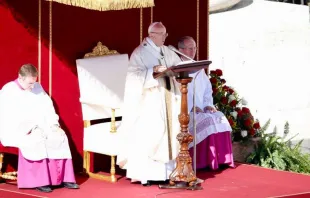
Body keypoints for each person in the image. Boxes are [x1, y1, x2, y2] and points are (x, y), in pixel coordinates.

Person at [116, 22, 182, 186]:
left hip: (168, 97)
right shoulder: (140, 53)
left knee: (170, 132)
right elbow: (132, 78)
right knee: (152, 133)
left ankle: (167, 173)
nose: (165, 38)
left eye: (166, 34)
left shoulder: (168, 51)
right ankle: (146, 174)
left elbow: (178, 67)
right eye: (162, 35)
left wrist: (176, 72)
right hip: (149, 101)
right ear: (152, 35)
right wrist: (152, 72)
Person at [0, 64, 79, 192]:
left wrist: (54, 124)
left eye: (34, 82)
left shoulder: (37, 87)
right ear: (20, 78)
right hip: (20, 130)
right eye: (30, 83)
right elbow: (7, 116)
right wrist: (30, 128)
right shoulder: (9, 91)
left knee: (59, 136)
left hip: (42, 125)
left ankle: (64, 178)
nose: (33, 86)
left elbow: (48, 107)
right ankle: (40, 181)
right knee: (36, 140)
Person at [177, 36, 234, 170]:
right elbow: (176, 92)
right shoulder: (177, 68)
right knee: (207, 120)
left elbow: (207, 89)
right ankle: (203, 162)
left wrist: (208, 104)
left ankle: (221, 159)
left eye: (194, 48)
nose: (193, 51)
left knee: (219, 117)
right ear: (180, 50)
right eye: (190, 48)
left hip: (202, 108)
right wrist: (191, 107)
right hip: (186, 111)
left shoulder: (198, 68)